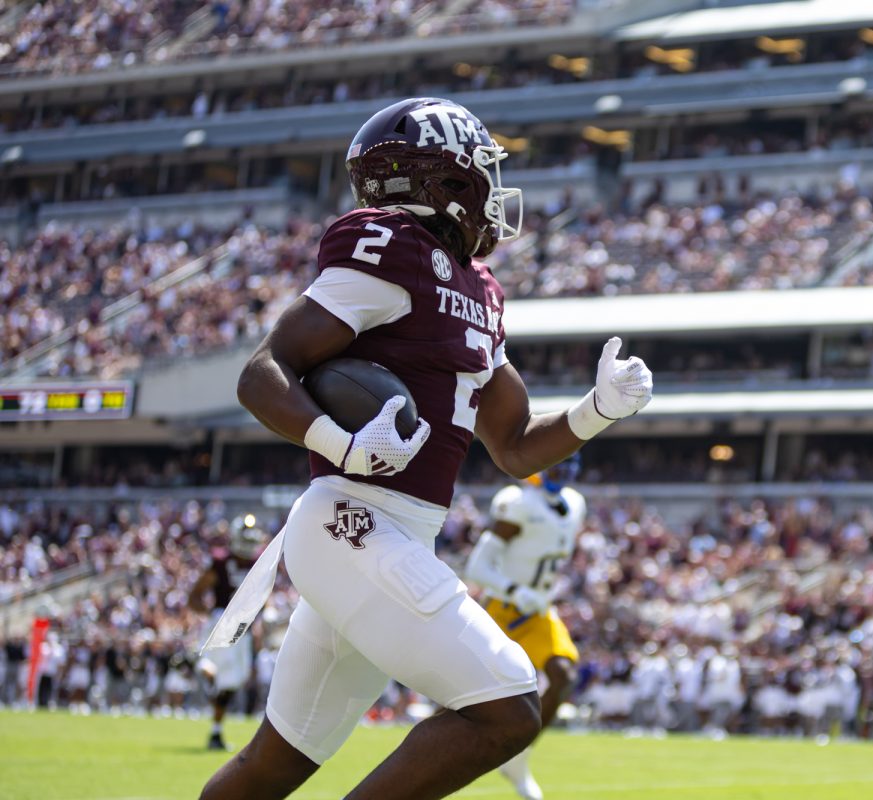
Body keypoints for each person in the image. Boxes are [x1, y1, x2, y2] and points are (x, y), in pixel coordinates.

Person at [199, 97, 653, 800]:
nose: (493, 193)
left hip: (389, 536)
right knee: (507, 704)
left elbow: (514, 445)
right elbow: (265, 371)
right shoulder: (391, 248)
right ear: (441, 183)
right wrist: (338, 443)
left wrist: (598, 410)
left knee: (273, 766)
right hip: (350, 520)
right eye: (480, 174)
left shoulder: (479, 291)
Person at [464, 453, 587, 800]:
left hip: (538, 612)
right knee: (462, 696)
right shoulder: (517, 504)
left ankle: (519, 758)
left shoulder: (575, 504)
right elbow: (478, 567)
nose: (562, 470)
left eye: (567, 463)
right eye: (556, 462)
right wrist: (516, 590)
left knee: (563, 675)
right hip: (502, 610)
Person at [190, 514, 267, 750]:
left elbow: (260, 598)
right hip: (223, 620)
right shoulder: (221, 562)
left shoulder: (257, 562)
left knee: (233, 682)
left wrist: (256, 626)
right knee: (224, 676)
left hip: (241, 627)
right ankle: (201, 666)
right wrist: (210, 615)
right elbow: (196, 594)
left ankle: (215, 732)